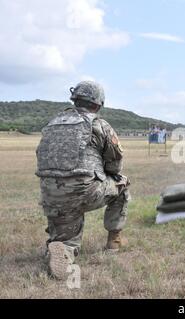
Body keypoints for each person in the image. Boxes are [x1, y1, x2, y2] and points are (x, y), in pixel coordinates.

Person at [35, 81, 130, 280]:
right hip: (83, 191)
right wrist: (106, 174)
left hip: (50, 194)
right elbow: (115, 163)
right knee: (122, 185)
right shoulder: (98, 124)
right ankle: (114, 241)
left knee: (66, 240)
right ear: (98, 104)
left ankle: (61, 249)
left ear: (75, 99)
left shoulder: (53, 123)